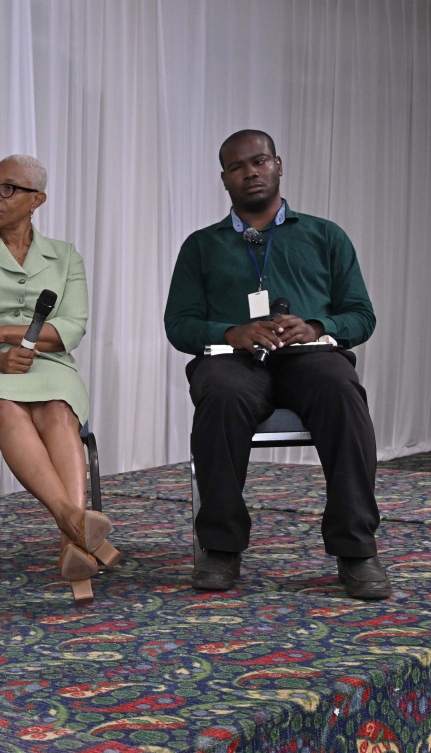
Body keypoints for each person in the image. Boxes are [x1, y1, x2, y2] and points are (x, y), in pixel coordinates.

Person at [164, 129, 389, 599]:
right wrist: (231, 332)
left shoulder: (325, 235)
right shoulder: (201, 246)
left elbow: (361, 315)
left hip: (310, 357)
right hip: (236, 362)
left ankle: (356, 549)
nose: (251, 172)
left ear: (279, 164)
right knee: (221, 395)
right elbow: (179, 325)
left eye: (260, 161)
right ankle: (221, 548)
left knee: (341, 390)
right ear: (223, 178)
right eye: (237, 166)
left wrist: (316, 325)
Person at [0, 154, 117, 604]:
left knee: (59, 409)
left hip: (48, 367)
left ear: (38, 200)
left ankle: (72, 546)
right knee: (6, 409)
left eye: (9, 188)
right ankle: (76, 528)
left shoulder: (65, 255)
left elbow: (70, 328)